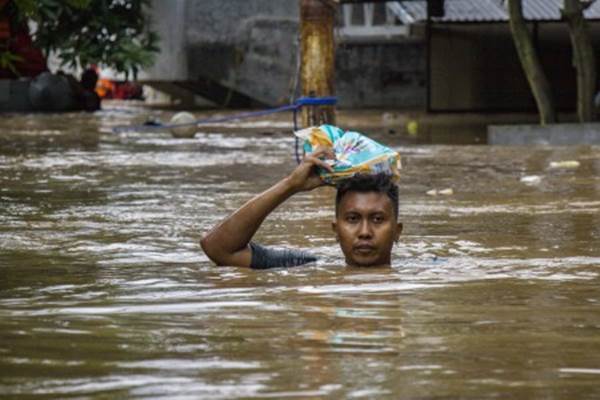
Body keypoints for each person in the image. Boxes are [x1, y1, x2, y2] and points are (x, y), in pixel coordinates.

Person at [201, 147, 403, 269]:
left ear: (397, 231)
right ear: (335, 230)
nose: (365, 232)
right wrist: (290, 185)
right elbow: (217, 248)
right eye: (352, 219)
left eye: (377, 219)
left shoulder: (428, 270)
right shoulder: (306, 266)